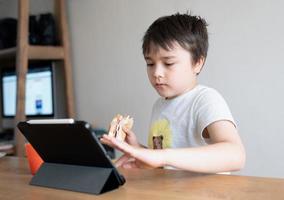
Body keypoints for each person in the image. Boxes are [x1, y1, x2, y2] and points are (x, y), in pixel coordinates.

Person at [101, 12, 246, 173]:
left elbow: (236, 155)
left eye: (168, 63)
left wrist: (162, 156)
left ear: (197, 63)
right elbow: (165, 164)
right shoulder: (160, 105)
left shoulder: (205, 100)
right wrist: (139, 150)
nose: (157, 72)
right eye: (150, 63)